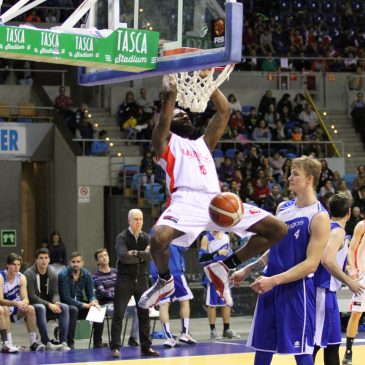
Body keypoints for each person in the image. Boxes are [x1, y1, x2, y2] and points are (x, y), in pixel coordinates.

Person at [138, 73, 287, 311]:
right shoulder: (164, 143)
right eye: (178, 114)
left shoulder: (204, 143)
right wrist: (171, 91)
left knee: (278, 229)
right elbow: (164, 118)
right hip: (184, 201)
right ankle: (164, 281)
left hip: (217, 201)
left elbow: (224, 111)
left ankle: (224, 266)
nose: (183, 114)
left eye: (185, 113)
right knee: (158, 238)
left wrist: (209, 83)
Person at [232, 155, 331, 365]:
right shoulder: (283, 208)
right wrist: (248, 270)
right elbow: (273, 248)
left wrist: (273, 280)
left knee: (301, 351)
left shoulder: (319, 216)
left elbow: (311, 264)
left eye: (295, 174)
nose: (289, 178)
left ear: (310, 179)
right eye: (290, 173)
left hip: (297, 290)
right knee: (263, 349)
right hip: (270, 285)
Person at [312, 194, 364, 365]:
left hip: (329, 293)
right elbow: (326, 259)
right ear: (349, 212)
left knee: (333, 345)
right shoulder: (338, 231)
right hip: (322, 290)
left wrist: (349, 268)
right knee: (315, 345)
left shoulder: (326, 228)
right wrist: (350, 280)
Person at [110, 209, 159, 358]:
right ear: (129, 221)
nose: (139, 222)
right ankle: (116, 347)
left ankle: (146, 347)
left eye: (141, 219)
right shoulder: (122, 237)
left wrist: (136, 253)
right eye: (136, 219)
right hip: (124, 280)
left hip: (142, 280)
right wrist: (143, 255)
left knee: (144, 314)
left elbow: (151, 255)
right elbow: (124, 257)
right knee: (119, 314)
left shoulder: (146, 237)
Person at [150, 243, 196, 348]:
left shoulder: (153, 233)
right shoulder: (173, 232)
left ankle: (168, 338)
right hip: (174, 271)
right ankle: (185, 333)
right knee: (184, 300)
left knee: (164, 304)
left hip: (157, 273)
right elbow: (185, 246)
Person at [92, 248, 139, 348]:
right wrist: (120, 294)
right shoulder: (95, 276)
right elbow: (103, 292)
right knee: (118, 312)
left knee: (139, 309)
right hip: (107, 304)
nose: (104, 258)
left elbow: (124, 285)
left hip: (122, 301)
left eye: (105, 255)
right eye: (101, 256)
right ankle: (116, 341)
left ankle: (133, 338)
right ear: (97, 261)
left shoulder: (115, 272)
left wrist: (126, 294)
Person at [24, 248, 69, 350]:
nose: (43, 261)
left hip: (49, 306)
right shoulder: (29, 274)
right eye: (41, 258)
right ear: (36, 260)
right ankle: (46, 341)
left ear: (49, 260)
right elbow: (32, 296)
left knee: (64, 307)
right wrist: (49, 304)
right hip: (34, 307)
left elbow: (55, 293)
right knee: (41, 307)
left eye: (46, 258)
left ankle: (63, 342)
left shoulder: (52, 273)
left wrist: (56, 302)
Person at [199, 231, 240, 340]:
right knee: (212, 304)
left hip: (225, 273)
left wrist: (233, 270)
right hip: (212, 273)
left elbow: (230, 255)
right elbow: (201, 258)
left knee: (226, 302)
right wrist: (217, 253)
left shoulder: (227, 236)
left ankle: (226, 329)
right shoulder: (206, 238)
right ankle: (213, 331)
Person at [0, 253, 45, 352]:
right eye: (13, 264)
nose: (16, 267)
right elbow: (0, 300)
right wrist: (17, 303)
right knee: (6, 309)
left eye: (18, 265)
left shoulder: (22, 277)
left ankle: (33, 343)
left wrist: (24, 303)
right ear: (7, 265)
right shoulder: (1, 277)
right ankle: (8, 344)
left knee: (31, 309)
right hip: (4, 307)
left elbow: (25, 298)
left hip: (16, 307)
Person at [58, 252, 99, 349]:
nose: (76, 264)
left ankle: (97, 342)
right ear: (69, 263)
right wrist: (85, 305)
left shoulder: (87, 274)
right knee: (73, 309)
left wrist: (93, 301)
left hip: (81, 305)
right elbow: (66, 298)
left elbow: (91, 294)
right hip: (67, 307)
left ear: (82, 263)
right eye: (73, 262)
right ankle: (70, 342)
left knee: (97, 310)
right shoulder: (63, 275)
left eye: (78, 262)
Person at [342, 218, 365, 365]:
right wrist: (352, 268)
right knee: (356, 313)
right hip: (363, 275)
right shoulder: (362, 225)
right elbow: (351, 250)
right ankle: (348, 351)